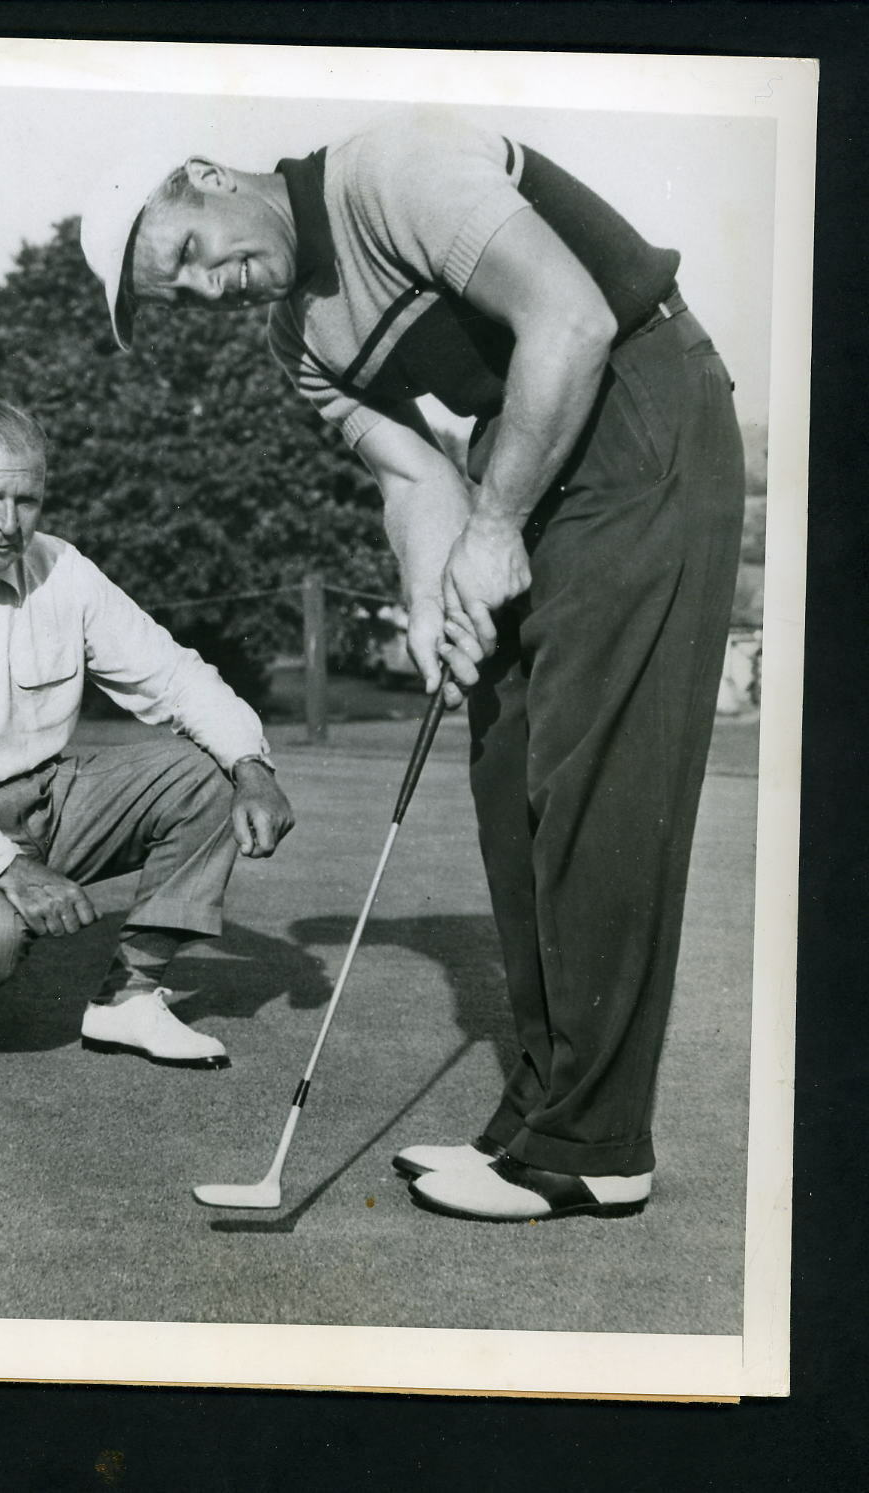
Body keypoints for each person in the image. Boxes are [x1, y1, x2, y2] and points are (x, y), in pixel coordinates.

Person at [79, 106, 745, 1222]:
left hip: (641, 404)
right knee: (508, 777)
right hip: (526, 448)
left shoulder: (390, 172)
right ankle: (540, 1112)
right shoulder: (299, 341)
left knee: (595, 780)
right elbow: (411, 479)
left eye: (187, 255)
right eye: (177, 297)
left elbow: (571, 322)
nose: (207, 290)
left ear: (206, 178)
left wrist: (494, 533)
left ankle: (597, 1143)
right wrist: (437, 599)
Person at [0, 400, 294, 1070]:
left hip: (47, 801)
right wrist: (10, 867)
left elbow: (172, 675)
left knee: (212, 773)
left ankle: (130, 997)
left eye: (28, 500)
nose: (8, 523)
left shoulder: (62, 567)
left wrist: (250, 762)